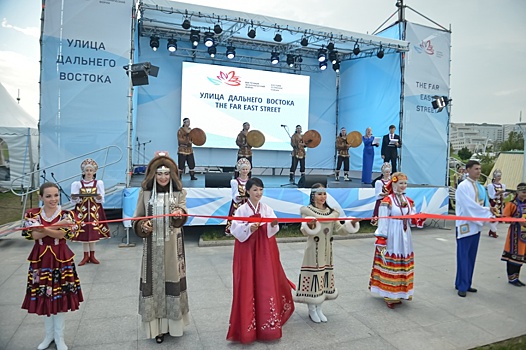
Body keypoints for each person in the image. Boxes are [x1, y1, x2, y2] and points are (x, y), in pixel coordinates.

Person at [227, 177, 295, 344]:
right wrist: (249, 228)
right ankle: (247, 328)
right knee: (248, 284)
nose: (258, 193)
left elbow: (273, 228)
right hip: (247, 251)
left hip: (264, 251)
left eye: (261, 190)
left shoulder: (266, 208)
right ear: (248, 191)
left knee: (265, 283)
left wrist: (272, 224)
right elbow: (234, 228)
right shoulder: (241, 210)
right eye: (255, 189)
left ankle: (268, 326)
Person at [133, 151, 189, 343]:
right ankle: (156, 328)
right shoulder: (145, 193)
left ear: (171, 174)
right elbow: (137, 217)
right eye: (159, 173)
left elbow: (183, 211)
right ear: (153, 175)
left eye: (166, 173)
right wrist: (143, 225)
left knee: (172, 282)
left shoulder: (179, 192)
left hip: (173, 248)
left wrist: (178, 214)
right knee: (154, 285)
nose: (163, 177)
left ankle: (174, 325)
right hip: (151, 249)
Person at [22, 182, 83, 350]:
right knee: (44, 296)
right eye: (48, 196)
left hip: (61, 261)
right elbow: (33, 235)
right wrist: (55, 226)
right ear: (40, 197)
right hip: (40, 262)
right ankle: (48, 336)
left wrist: (45, 228)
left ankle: (59, 337)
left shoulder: (67, 214)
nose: (53, 199)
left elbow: (63, 234)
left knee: (59, 297)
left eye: (56, 195)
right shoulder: (32, 214)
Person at [295, 183, 360, 323]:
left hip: (327, 251)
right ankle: (312, 309)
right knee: (313, 277)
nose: (322, 196)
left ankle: (319, 308)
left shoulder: (332, 213)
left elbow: (340, 230)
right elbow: (304, 231)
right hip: (314, 250)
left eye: (324, 193)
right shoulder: (307, 211)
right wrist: (310, 225)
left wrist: (351, 225)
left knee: (323, 278)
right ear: (313, 196)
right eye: (319, 194)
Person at [369, 172, 416, 309]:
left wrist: (417, 218)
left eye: (405, 183)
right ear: (394, 184)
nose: (403, 186)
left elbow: (412, 216)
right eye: (400, 183)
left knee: (403, 260)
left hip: (405, 233)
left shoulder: (409, 201)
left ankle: (402, 291)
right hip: (392, 234)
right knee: (391, 260)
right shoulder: (387, 201)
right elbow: (383, 221)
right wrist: (382, 238)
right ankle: (389, 294)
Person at [454, 160, 498, 297]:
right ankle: (461, 285)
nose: (479, 171)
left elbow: (482, 203)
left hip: (476, 225)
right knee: (463, 256)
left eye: (480, 168)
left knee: (471, 256)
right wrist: (486, 211)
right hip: (465, 225)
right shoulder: (463, 186)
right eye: (476, 169)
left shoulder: (479, 186)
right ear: (467, 170)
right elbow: (468, 206)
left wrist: (489, 210)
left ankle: (466, 283)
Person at [70, 158, 110, 266]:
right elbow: (74, 200)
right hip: (82, 212)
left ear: (94, 172)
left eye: (90, 170)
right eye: (87, 170)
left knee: (93, 232)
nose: (88, 172)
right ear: (83, 172)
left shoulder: (98, 183)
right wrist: (75, 197)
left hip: (94, 210)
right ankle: (85, 256)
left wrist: (98, 197)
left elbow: (101, 199)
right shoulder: (77, 184)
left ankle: (92, 255)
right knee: (84, 233)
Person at [500, 183, 526, 287]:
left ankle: (517, 277)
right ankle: (512, 278)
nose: (525, 195)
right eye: (523, 192)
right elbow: (504, 218)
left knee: (520, 257)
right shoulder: (512, 204)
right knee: (513, 256)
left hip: (524, 235)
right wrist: (517, 220)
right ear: (517, 192)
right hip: (515, 235)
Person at [225, 158, 251, 236]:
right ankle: (232, 230)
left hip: (247, 203)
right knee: (236, 215)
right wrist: (243, 197)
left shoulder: (250, 181)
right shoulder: (235, 182)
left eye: (246, 169)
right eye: (243, 169)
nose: (245, 171)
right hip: (238, 204)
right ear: (239, 170)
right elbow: (235, 195)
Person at [487, 169, 506, 238]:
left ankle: (492, 230)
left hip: (500, 203)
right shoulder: (490, 186)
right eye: (498, 176)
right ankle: (493, 230)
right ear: (494, 177)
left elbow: (503, 195)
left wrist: (505, 194)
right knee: (493, 216)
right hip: (493, 203)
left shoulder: (503, 185)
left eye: (500, 176)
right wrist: (498, 193)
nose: (499, 177)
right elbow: (491, 195)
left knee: (498, 217)